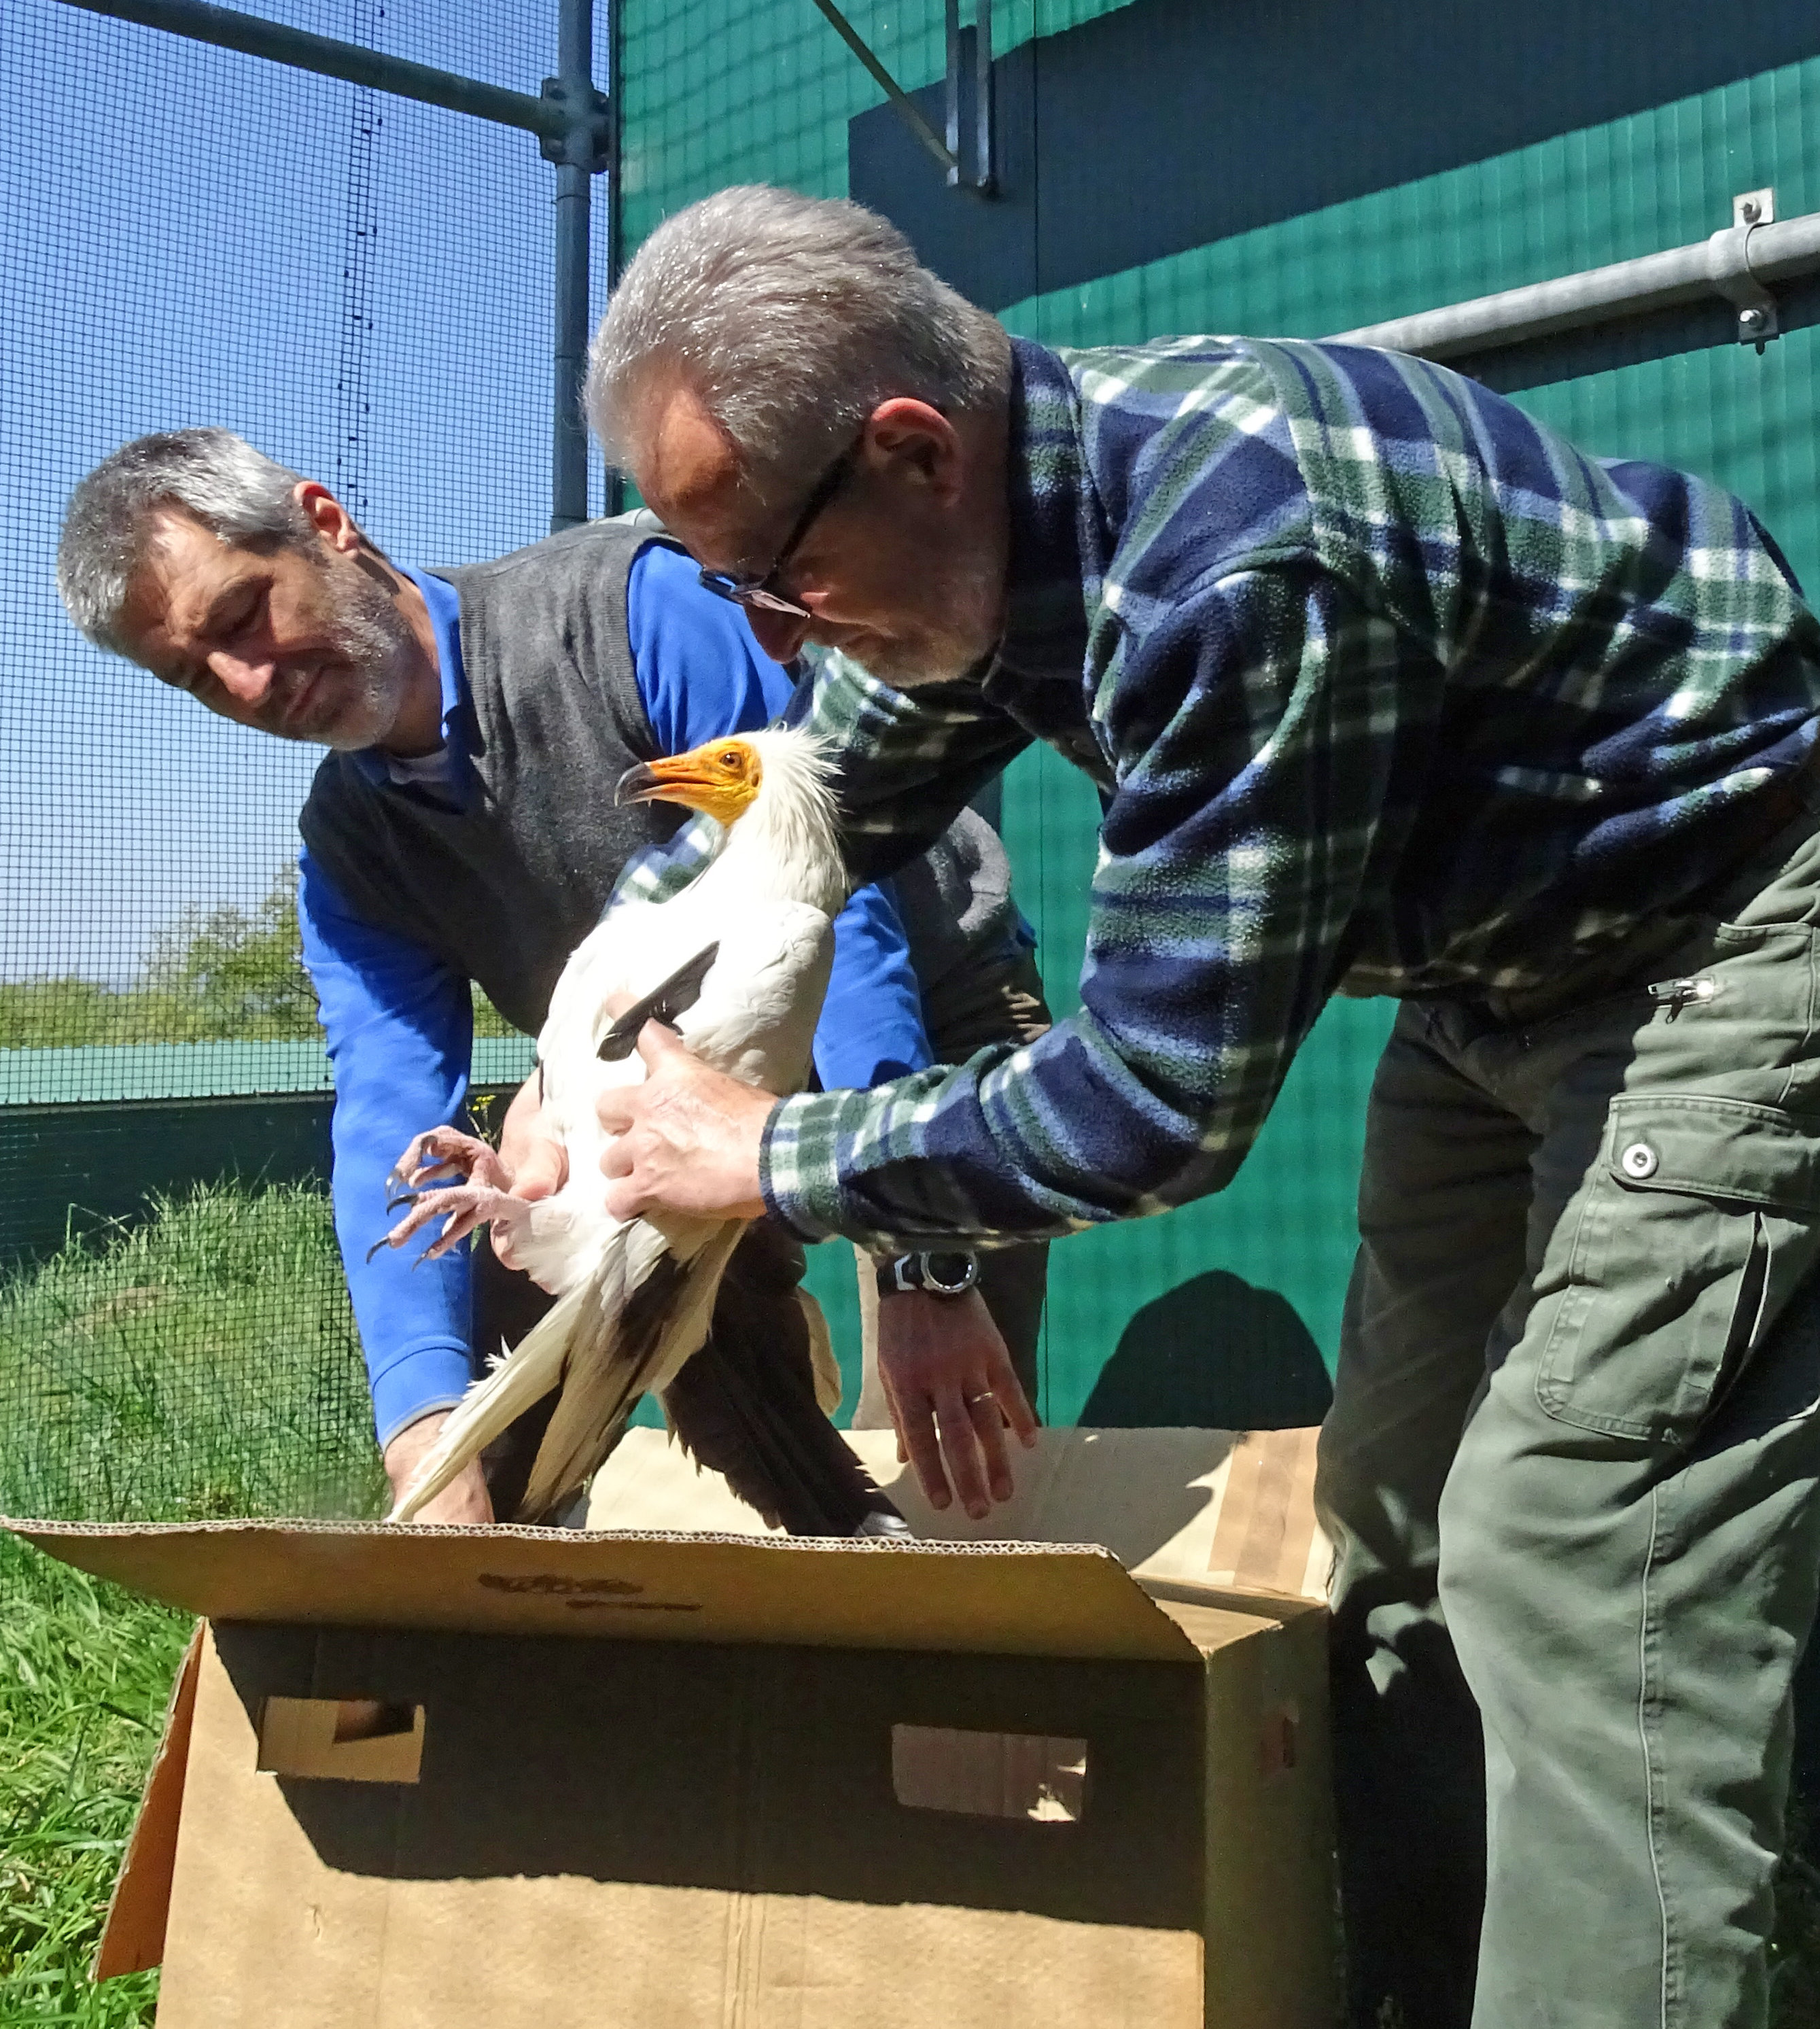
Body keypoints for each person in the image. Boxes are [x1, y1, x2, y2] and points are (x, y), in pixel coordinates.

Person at [580, 184, 1820, 2028]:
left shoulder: (1230, 559)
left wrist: (759, 1156)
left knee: (1566, 1536)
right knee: (1388, 1514)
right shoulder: (994, 536)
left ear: (909, 449)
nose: (777, 631)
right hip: (1493, 976)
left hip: (1726, 929)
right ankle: (1409, 1985)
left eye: (781, 574)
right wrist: (598, 1024)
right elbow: (827, 795)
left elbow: (1150, 1108)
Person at [54, 427, 1045, 1530]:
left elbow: (841, 903)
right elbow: (387, 1112)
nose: (247, 681)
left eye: (243, 615)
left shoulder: (625, 615)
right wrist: (427, 1433)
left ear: (324, 524)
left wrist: (923, 1263)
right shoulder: (351, 849)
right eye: (196, 677)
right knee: (498, 1399)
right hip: (655, 1087)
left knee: (949, 1459)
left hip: (918, 1023)